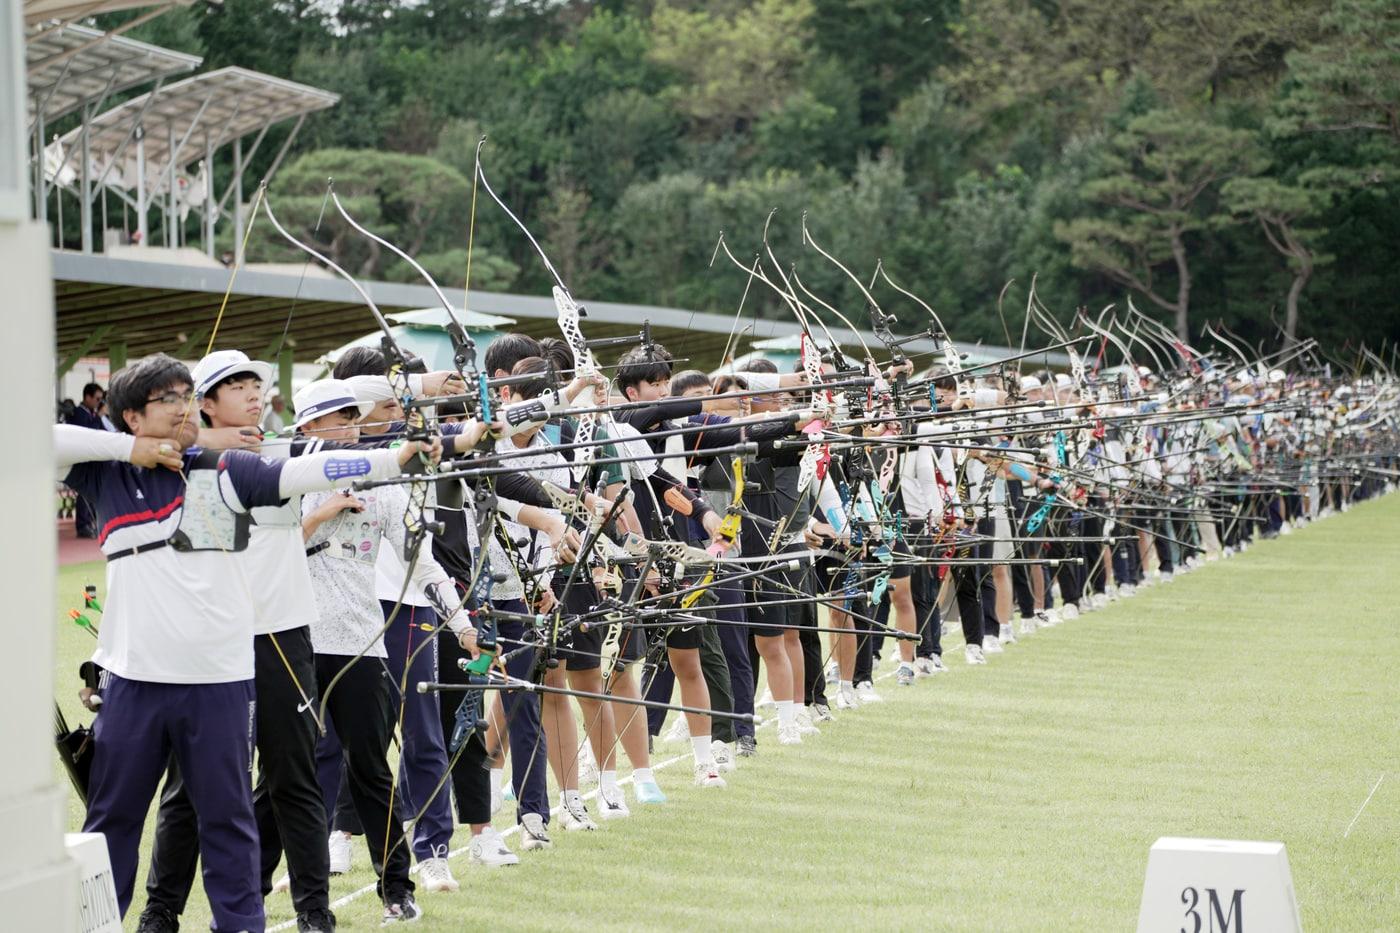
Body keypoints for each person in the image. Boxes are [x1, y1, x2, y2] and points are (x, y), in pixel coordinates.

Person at [59, 354, 424, 932]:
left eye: (187, 395)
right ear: (131, 416)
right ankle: (123, 919)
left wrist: (400, 453)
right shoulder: (105, 474)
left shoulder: (222, 469)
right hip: (135, 678)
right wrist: (132, 451)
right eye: (169, 400)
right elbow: (32, 439)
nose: (181, 408)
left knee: (231, 819)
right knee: (114, 821)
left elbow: (304, 468)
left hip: (218, 680)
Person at [65, 381, 107, 536]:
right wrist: (99, 416)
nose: (99, 403)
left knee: (92, 493)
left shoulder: (92, 414)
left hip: (92, 459)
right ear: (87, 397)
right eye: (97, 399)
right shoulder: (79, 413)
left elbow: (102, 432)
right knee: (83, 494)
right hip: (81, 460)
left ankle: (91, 522)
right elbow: (87, 433)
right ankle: (82, 526)